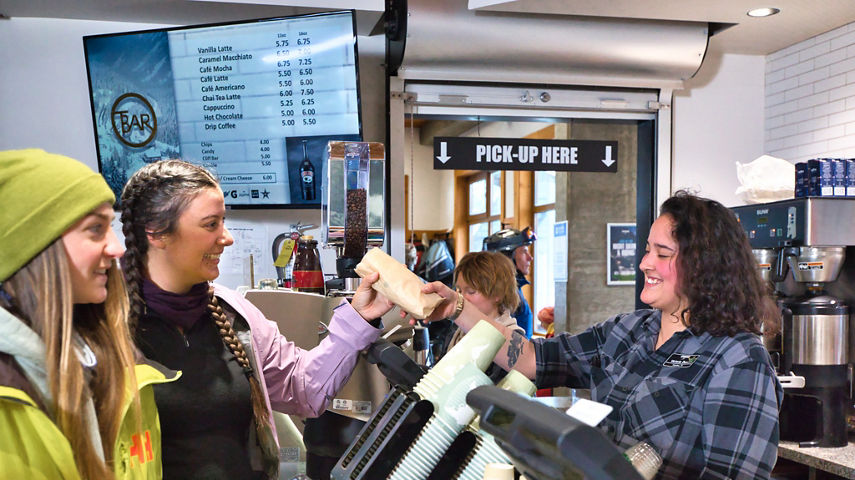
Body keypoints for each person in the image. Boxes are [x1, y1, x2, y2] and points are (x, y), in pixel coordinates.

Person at [418, 191, 782, 479]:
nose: (644, 263)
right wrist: (457, 309)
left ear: (705, 264)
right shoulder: (629, 331)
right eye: (647, 250)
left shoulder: (738, 358)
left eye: (663, 253)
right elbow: (532, 358)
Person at [119, 159, 392, 479]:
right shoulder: (107, 328)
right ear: (156, 233)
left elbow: (304, 388)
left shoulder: (232, 312)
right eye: (211, 224)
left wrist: (358, 318)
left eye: (224, 221)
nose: (227, 237)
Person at [0, 148, 177, 479]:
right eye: (96, 228)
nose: (117, 248)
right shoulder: (10, 389)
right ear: (35, 244)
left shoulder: (120, 361)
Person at [445, 251, 521, 351]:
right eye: (458, 290)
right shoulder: (456, 332)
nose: (461, 297)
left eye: (471, 291)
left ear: (498, 293)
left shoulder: (512, 342)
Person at [483, 226, 537, 338]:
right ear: (507, 257)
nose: (530, 258)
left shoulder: (512, 288)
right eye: (524, 252)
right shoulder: (501, 294)